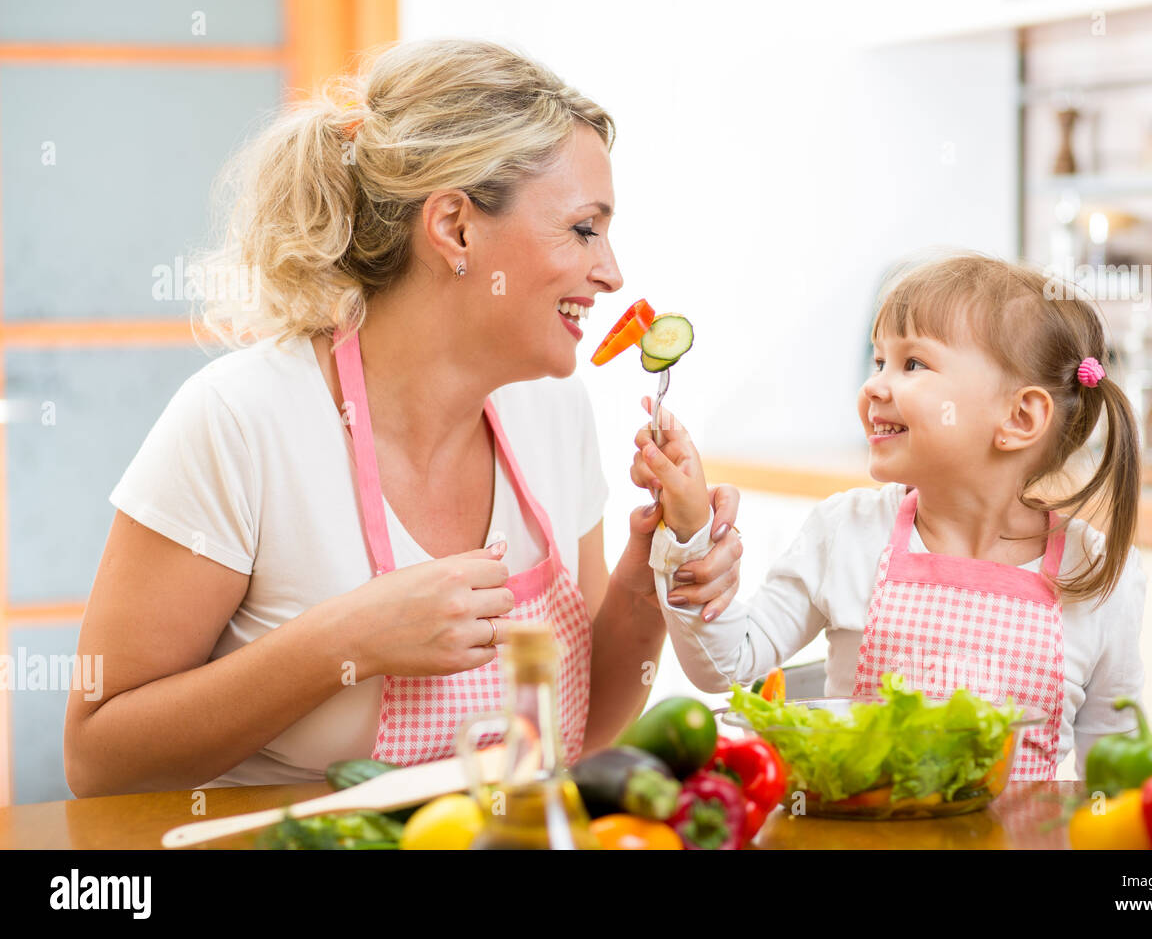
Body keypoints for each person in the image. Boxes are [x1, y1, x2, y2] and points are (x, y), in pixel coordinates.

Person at [63, 39, 742, 796]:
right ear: (454, 227)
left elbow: (573, 737)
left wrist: (653, 577)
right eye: (584, 229)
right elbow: (98, 759)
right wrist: (348, 640)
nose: (612, 272)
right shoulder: (240, 422)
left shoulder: (554, 413)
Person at [632, 253, 1147, 779]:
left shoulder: (1101, 576)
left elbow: (1110, 770)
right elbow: (727, 664)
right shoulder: (847, 531)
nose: (873, 387)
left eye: (913, 365)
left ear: (1019, 417)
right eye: (879, 362)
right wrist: (691, 532)